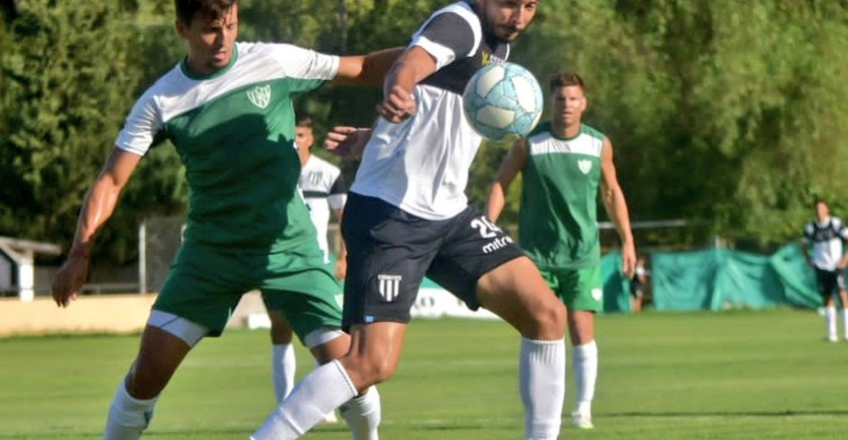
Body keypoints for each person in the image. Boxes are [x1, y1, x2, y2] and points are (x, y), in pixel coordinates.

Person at [49, 1, 401, 439]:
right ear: (182, 28)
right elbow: (112, 180)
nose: (223, 39)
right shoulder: (162, 99)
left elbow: (363, 66)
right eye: (210, 30)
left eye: (231, 25)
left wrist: (433, 56)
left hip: (290, 248)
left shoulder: (274, 61)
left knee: (351, 370)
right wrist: (80, 251)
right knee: (147, 374)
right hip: (210, 255)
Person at [251, 1, 570, 440]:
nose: (518, 15)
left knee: (546, 313)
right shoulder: (460, 24)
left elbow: (438, 110)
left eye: (530, 5)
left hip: (449, 214)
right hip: (391, 215)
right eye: (510, 3)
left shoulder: (499, 48)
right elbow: (409, 65)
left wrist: (377, 136)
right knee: (370, 363)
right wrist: (397, 90)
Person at [486, 72, 636, 430]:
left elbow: (612, 193)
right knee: (539, 330)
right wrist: (486, 228)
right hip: (537, 259)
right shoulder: (529, 143)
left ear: (583, 103)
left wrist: (628, 240)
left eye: (572, 99)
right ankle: (540, 412)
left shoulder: (599, 145)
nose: (566, 105)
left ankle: (583, 407)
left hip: (582, 255)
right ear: (549, 103)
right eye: (559, 99)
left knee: (582, 327)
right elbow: (500, 183)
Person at [265, 113, 349, 424]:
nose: (296, 140)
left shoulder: (327, 173)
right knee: (280, 330)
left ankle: (321, 402)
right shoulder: (273, 173)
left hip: (320, 264)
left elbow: (345, 217)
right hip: (279, 263)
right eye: (292, 135)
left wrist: (344, 258)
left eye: (301, 134)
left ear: (310, 138)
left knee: (330, 332)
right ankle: (285, 402)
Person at [801, 199, 848, 342]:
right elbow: (803, 244)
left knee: (842, 295)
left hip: (836, 266)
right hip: (821, 266)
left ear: (827, 210)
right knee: (827, 298)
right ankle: (832, 334)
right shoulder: (811, 228)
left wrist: (845, 259)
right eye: (817, 209)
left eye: (822, 208)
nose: (819, 211)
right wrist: (808, 258)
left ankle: (847, 333)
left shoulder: (836, 224)